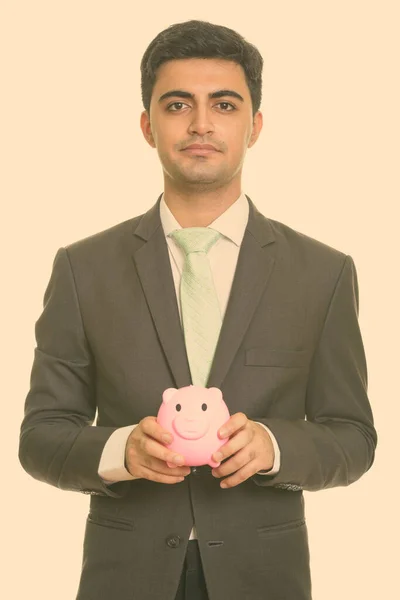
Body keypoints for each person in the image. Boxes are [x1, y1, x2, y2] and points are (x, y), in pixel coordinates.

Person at [18, 19, 377, 600]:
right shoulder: (83, 269)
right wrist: (120, 451)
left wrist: (273, 445)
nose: (202, 124)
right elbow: (41, 438)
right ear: (147, 124)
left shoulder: (323, 273)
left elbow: (354, 438)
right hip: (124, 578)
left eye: (225, 104)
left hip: (264, 577)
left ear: (255, 126)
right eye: (178, 104)